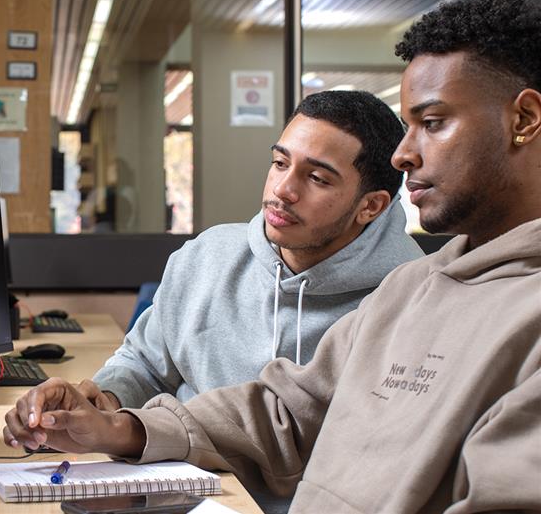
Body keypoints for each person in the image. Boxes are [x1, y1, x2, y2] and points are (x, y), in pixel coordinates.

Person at [4, 0, 541, 513]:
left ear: (524, 120)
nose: (405, 154)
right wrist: (118, 426)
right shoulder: (416, 288)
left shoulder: (432, 289)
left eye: (433, 123)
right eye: (281, 163)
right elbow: (284, 413)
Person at [84, 90, 423, 411]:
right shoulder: (205, 256)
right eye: (279, 162)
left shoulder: (410, 302)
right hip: (182, 464)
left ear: (371, 206)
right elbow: (144, 364)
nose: (284, 189)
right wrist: (103, 400)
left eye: (317, 178)